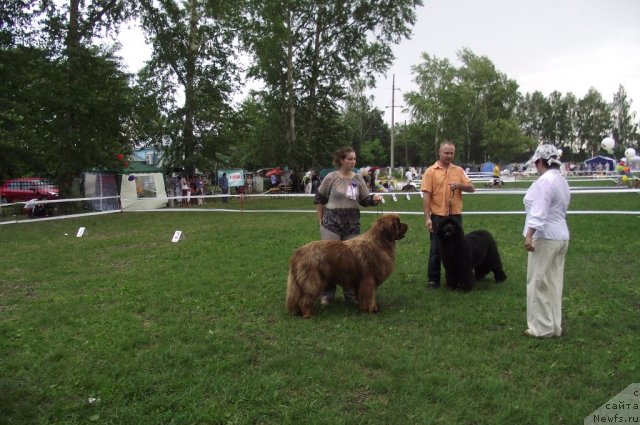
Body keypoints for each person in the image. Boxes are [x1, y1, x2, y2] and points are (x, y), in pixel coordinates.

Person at [314, 146, 383, 305]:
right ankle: (327, 293)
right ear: (341, 160)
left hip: (351, 224)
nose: (353, 162)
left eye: (354, 159)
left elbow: (364, 200)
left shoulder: (358, 179)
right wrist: (321, 219)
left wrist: (374, 200)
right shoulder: (331, 177)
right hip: (331, 223)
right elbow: (319, 199)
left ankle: (350, 294)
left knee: (351, 261)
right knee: (329, 260)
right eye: (350, 159)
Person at [522, 144, 570, 338]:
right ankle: (554, 325)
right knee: (553, 282)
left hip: (545, 236)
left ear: (540, 161)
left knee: (538, 282)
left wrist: (529, 234)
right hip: (561, 236)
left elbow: (539, 210)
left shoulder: (545, 181)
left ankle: (541, 328)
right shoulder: (562, 181)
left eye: (536, 162)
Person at [420, 140, 475, 288]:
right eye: (446, 153)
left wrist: (460, 185)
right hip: (438, 216)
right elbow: (426, 196)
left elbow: (471, 188)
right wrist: (427, 218)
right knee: (436, 249)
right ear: (439, 153)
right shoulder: (430, 171)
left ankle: (457, 279)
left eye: (451, 153)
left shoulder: (458, 170)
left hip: (455, 216)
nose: (449, 156)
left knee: (459, 249)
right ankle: (433, 279)